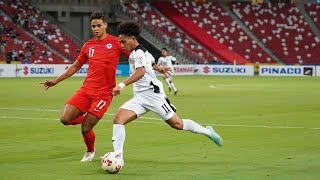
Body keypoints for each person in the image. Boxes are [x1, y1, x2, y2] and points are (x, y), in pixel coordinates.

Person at [110, 20, 223, 164]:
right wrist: (160, 68)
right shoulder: (142, 51)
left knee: (177, 124)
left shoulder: (138, 53)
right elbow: (150, 62)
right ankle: (118, 157)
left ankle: (208, 132)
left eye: (123, 41)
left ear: (133, 38)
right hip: (139, 97)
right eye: (120, 42)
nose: (122, 45)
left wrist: (121, 84)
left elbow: (141, 71)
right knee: (118, 119)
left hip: (154, 96)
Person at [41, 12, 129, 162]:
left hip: (104, 94)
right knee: (64, 118)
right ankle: (88, 118)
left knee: (86, 129)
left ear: (106, 25)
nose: (95, 29)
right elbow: (75, 66)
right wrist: (56, 81)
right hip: (86, 90)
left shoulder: (115, 43)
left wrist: (155, 67)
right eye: (93, 26)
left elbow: (135, 56)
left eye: (99, 26)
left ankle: (90, 151)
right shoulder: (88, 46)